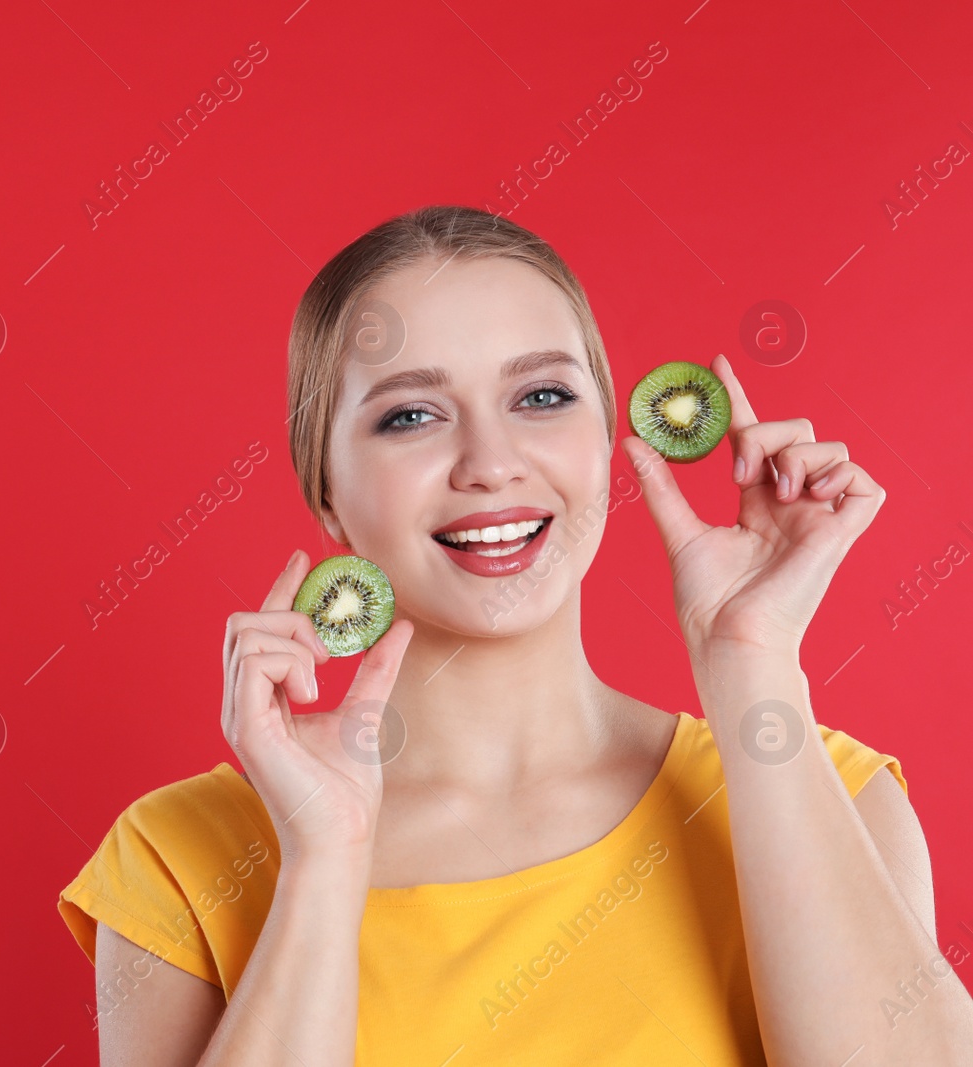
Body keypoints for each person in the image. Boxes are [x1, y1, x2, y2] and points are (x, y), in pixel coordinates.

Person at [56, 205, 973, 1064]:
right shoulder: (183, 859)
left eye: (541, 396)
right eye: (411, 414)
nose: (491, 465)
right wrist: (324, 859)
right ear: (325, 494)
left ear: (608, 436)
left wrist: (752, 660)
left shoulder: (835, 797)